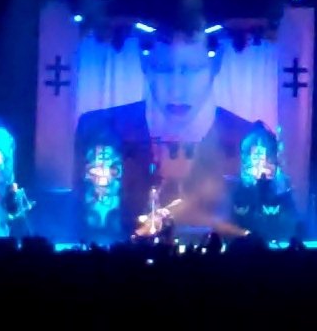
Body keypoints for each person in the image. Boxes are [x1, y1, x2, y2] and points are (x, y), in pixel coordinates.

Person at [74, 29, 272, 234]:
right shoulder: (97, 129)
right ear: (145, 65)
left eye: (193, 70)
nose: (177, 89)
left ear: (216, 65)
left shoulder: (251, 139)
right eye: (164, 70)